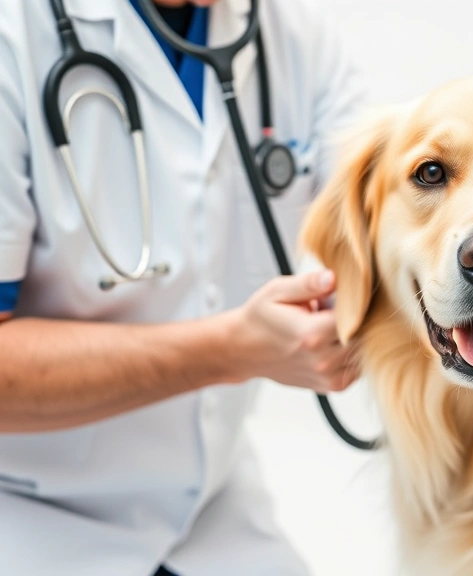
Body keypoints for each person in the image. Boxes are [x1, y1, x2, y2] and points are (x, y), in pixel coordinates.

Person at [0, 0, 366, 574]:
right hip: (28, 516)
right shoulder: (12, 34)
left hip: (215, 515)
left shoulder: (292, 37)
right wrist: (229, 350)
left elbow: (395, 216)